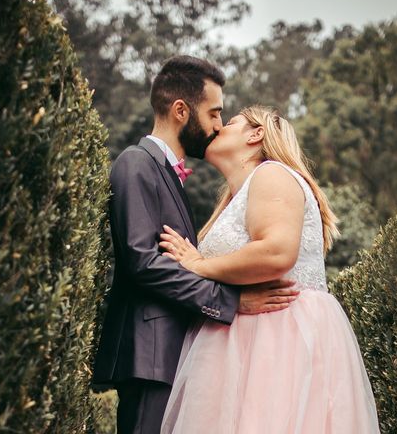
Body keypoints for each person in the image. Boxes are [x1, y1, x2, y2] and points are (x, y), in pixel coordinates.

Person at [91, 57, 300, 434]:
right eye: (215, 113)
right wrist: (231, 303)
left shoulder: (168, 175)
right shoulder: (136, 163)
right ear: (181, 111)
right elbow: (143, 262)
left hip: (176, 353)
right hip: (150, 356)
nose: (218, 125)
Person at [158, 105, 381, 433]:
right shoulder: (240, 196)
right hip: (239, 338)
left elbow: (276, 253)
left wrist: (199, 264)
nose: (218, 127)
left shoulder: (271, 174)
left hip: (278, 335)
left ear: (256, 134)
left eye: (230, 121)